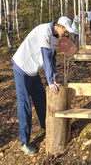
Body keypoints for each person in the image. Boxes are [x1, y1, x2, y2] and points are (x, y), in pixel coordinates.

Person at [11, 16, 74, 156]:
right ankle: (24, 142)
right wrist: (50, 81)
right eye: (66, 31)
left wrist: (54, 79)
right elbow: (46, 56)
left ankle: (47, 126)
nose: (67, 34)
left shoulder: (55, 36)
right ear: (60, 26)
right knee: (25, 104)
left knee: (41, 100)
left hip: (33, 71)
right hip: (22, 68)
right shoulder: (45, 31)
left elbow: (52, 58)